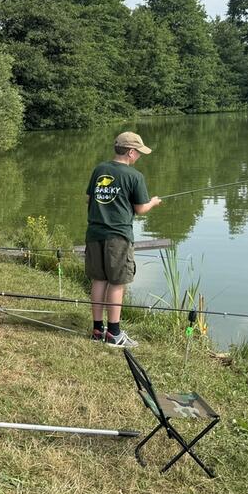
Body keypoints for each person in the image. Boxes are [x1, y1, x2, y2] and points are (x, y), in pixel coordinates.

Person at [84, 131, 161, 348]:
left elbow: (89, 199)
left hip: (94, 234)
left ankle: (97, 329)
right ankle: (115, 334)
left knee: (99, 280)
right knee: (117, 283)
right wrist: (154, 202)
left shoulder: (99, 169)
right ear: (130, 152)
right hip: (118, 237)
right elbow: (140, 208)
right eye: (139, 152)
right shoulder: (134, 176)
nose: (139, 156)